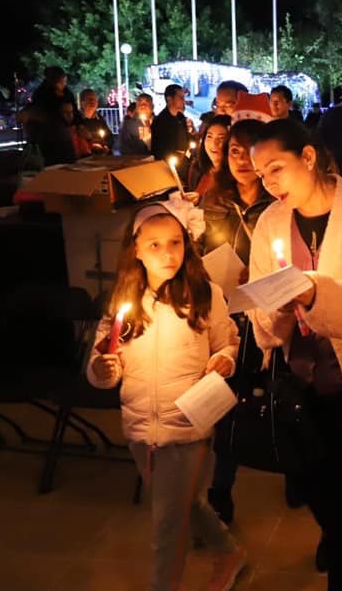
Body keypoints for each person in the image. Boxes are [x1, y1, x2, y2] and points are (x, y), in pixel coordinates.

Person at [247, 119, 342, 591]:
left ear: (308, 157)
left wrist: (313, 293)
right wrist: (272, 312)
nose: (270, 184)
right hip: (299, 378)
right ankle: (335, 532)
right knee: (309, 478)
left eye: (277, 169)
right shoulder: (272, 221)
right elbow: (260, 305)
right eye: (262, 175)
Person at [86, 195, 245, 591]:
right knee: (184, 504)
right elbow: (105, 359)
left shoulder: (204, 294)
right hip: (140, 428)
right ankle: (229, 552)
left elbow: (228, 343)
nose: (167, 253)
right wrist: (101, 370)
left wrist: (225, 359)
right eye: (154, 244)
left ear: (186, 243)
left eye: (175, 242)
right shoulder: (124, 300)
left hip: (188, 425)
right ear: (136, 248)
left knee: (167, 526)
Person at [199, 119, 273, 524]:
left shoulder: (278, 202)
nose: (241, 159)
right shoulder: (215, 200)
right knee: (228, 401)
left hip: (267, 310)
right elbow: (201, 248)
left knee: (276, 392)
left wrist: (261, 274)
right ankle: (221, 490)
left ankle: (291, 467)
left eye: (249, 151)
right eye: (234, 151)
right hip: (227, 314)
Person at [188, 115, 230, 199]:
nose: (214, 143)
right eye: (209, 136)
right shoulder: (198, 169)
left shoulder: (234, 178)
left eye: (221, 138)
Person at [151, 84, 190, 162]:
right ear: (169, 99)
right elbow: (158, 149)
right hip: (168, 164)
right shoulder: (160, 121)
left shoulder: (181, 117)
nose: (183, 101)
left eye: (183, 97)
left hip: (183, 162)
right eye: (180, 97)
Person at [77, 88, 113, 153]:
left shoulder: (99, 118)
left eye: (95, 99)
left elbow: (109, 137)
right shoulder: (77, 119)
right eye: (90, 99)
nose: (93, 102)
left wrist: (106, 146)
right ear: (82, 102)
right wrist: (91, 146)